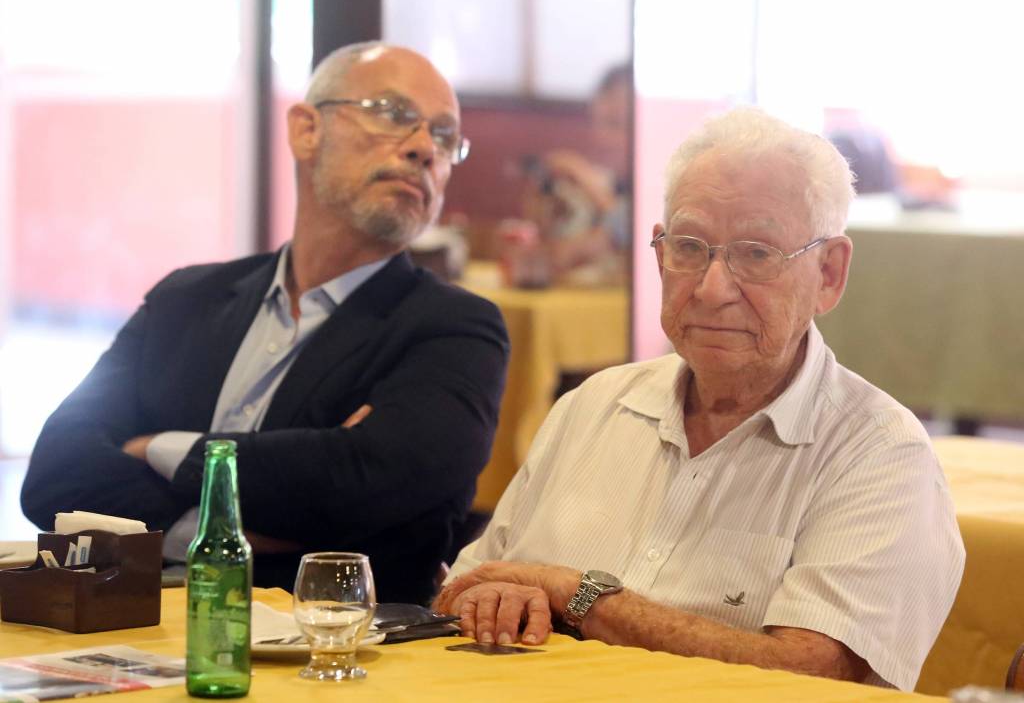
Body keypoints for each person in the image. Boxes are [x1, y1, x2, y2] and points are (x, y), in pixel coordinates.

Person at [435, 107, 964, 691]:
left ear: (829, 274)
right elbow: (463, 588)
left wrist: (577, 595)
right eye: (689, 247)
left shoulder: (880, 455)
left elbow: (817, 677)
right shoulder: (594, 406)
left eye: (757, 253)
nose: (712, 289)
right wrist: (493, 600)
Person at [21, 42, 509, 604]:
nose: (424, 148)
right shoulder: (185, 300)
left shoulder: (456, 328)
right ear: (306, 130)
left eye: (445, 136)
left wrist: (156, 448)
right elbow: (56, 475)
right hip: (136, 625)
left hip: (331, 641)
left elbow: (363, 488)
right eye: (392, 113)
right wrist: (216, 536)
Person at [519, 64, 632, 286]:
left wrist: (582, 176)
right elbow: (546, 238)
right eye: (600, 123)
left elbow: (627, 227)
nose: (604, 137)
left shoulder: (656, 184)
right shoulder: (604, 179)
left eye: (616, 124)